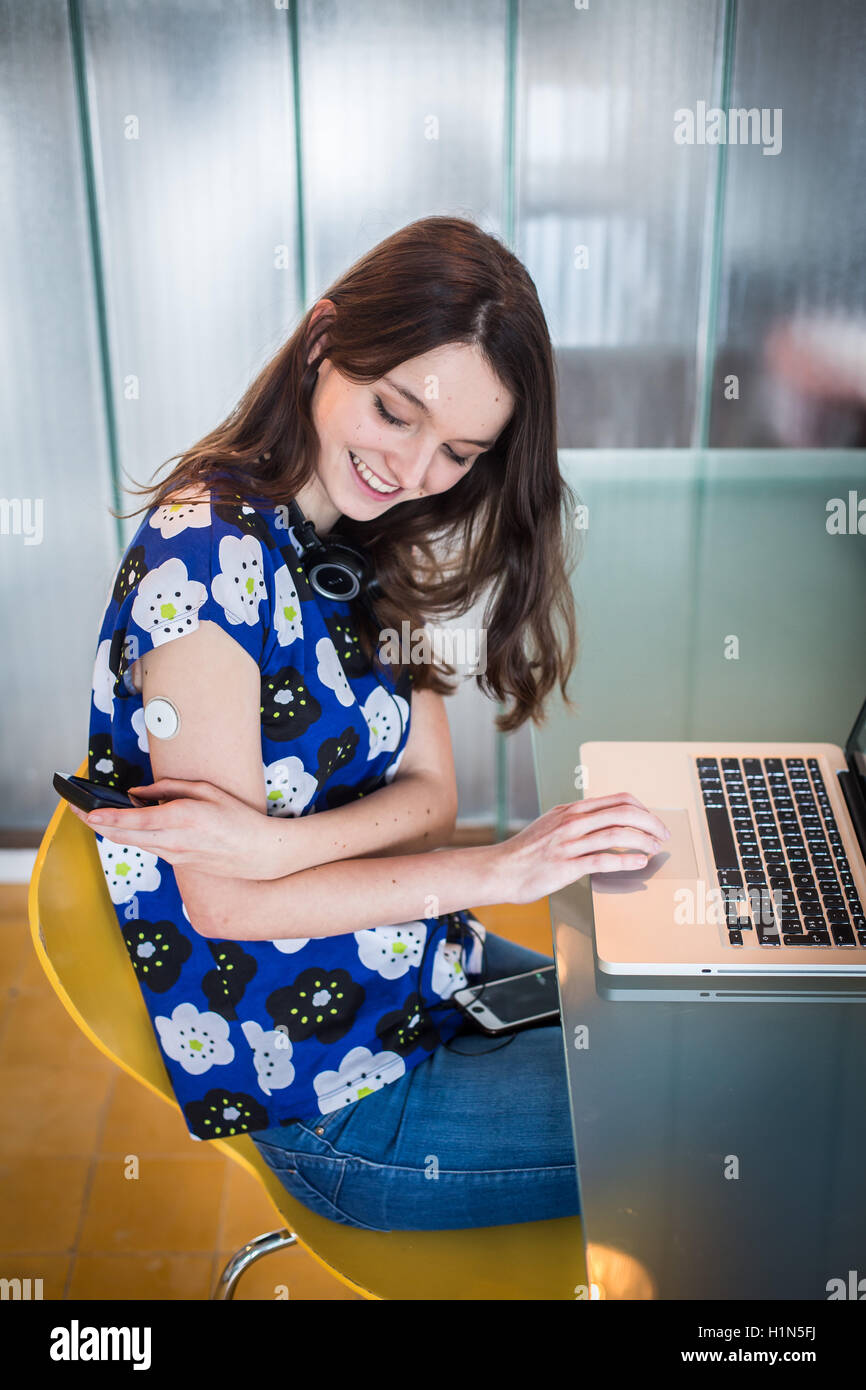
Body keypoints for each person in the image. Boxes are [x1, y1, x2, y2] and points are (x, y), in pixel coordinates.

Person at [72, 215, 669, 1232]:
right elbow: (225, 904)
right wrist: (498, 871)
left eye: (458, 452)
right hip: (344, 1099)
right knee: (716, 1115)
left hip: (425, 975)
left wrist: (276, 845)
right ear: (321, 342)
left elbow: (430, 800)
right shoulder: (201, 564)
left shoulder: (362, 537)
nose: (413, 468)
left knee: (728, 1042)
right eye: (395, 412)